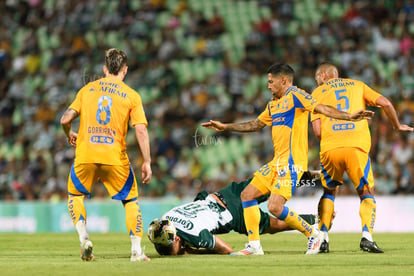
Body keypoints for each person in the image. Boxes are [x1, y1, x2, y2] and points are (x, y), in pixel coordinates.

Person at [201, 63, 374, 255]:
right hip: (277, 162)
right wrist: (225, 127)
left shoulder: (296, 95)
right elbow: (256, 124)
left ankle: (313, 234)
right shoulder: (273, 104)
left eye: (271, 82)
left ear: (283, 80)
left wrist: (349, 116)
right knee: (247, 195)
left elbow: (322, 108)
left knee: (275, 207)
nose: (268, 86)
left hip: (291, 163)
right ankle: (254, 246)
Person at [311, 62, 413, 253]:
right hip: (356, 147)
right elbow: (386, 103)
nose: (317, 82)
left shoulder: (316, 94)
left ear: (324, 76)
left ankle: (322, 239)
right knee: (366, 192)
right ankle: (367, 237)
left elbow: (317, 132)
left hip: (330, 147)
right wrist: (397, 126)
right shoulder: (358, 85)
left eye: (318, 79)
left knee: (329, 192)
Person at [60, 48, 152, 262]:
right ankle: (136, 251)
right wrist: (146, 161)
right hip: (115, 158)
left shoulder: (87, 90)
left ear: (104, 69)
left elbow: (65, 119)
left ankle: (84, 239)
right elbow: (140, 129)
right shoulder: (132, 95)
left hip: (86, 155)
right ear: (125, 70)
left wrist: (69, 134)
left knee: (75, 196)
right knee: (130, 201)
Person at [149, 176, 319, 255]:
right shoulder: (167, 216)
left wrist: (193, 252)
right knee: (273, 181)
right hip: (224, 194)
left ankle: (317, 219)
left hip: (233, 213)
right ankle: (310, 175)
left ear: (177, 240)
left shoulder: (194, 235)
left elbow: (226, 249)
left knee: (276, 225)